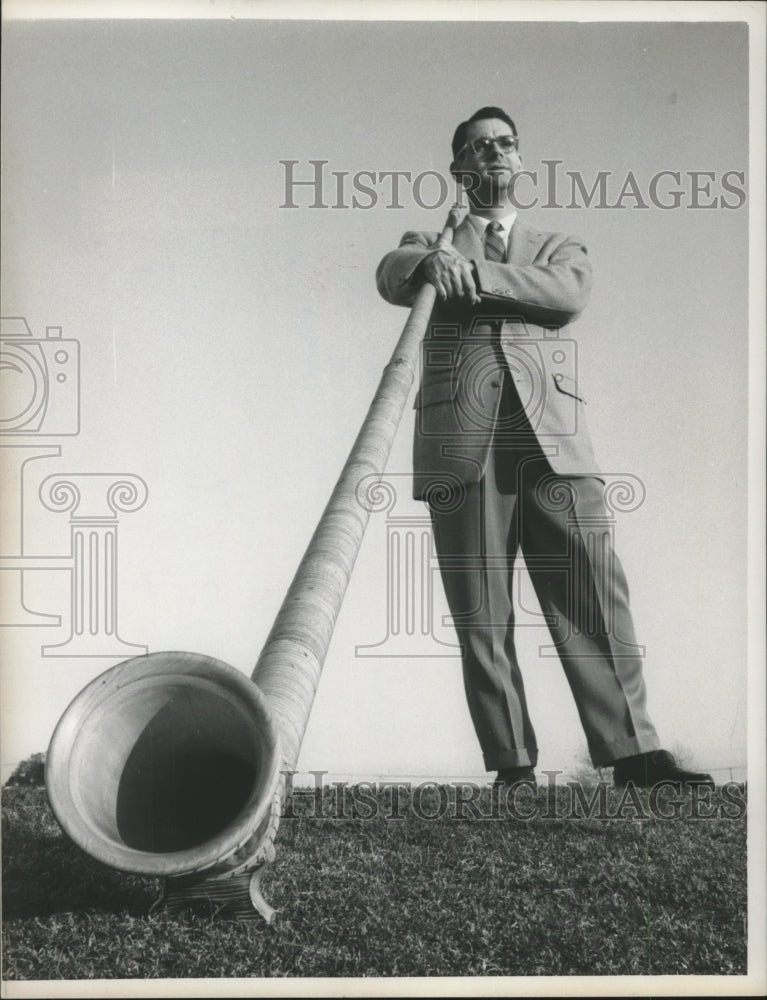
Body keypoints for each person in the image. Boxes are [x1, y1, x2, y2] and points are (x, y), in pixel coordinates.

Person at [376, 107, 714, 790]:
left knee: (592, 591)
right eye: (477, 148)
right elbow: (390, 274)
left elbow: (566, 295)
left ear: (520, 160)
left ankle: (633, 753)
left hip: (554, 442)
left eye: (504, 144)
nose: (492, 155)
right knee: (481, 606)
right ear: (458, 171)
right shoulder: (427, 243)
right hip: (459, 442)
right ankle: (511, 765)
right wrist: (434, 261)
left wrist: (477, 277)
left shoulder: (559, 244)